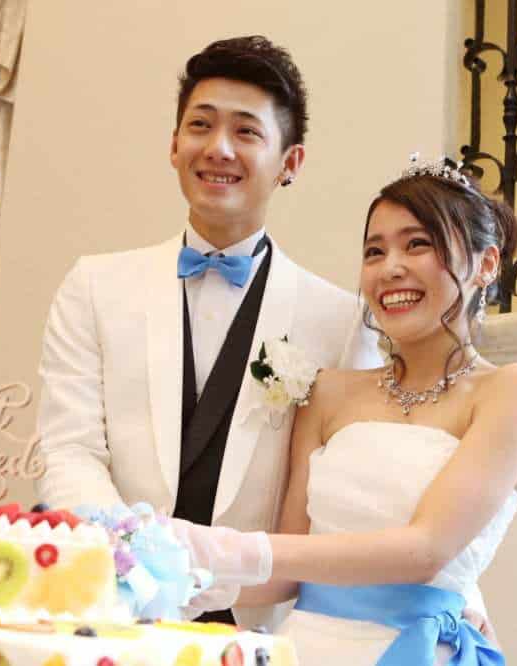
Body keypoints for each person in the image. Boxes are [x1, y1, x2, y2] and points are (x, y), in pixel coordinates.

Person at [33, 36, 379, 628]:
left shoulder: (341, 319)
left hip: (255, 625)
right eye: (201, 125)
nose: (218, 148)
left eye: (246, 131)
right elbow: (69, 450)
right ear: (174, 145)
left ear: (290, 162)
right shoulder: (93, 287)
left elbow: (350, 492)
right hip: (112, 609)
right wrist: (132, 566)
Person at [182, 157, 517, 664]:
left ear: (486, 264)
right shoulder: (329, 392)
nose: (390, 267)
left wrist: (230, 547)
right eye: (374, 251)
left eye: (417, 244)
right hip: (306, 648)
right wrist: (183, 577)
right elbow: (287, 572)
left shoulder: (510, 391)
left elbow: (425, 550)